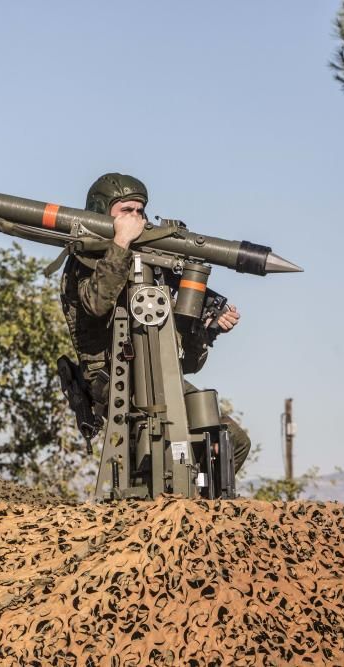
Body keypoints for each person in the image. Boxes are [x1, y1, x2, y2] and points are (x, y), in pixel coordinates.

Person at [59, 172, 251, 473]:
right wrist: (120, 242)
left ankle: (195, 510)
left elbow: (184, 362)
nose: (136, 219)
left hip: (157, 375)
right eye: (126, 211)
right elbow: (96, 304)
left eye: (140, 211)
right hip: (113, 379)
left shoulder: (146, 262)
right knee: (158, 456)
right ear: (101, 212)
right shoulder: (84, 260)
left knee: (232, 441)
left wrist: (206, 327)